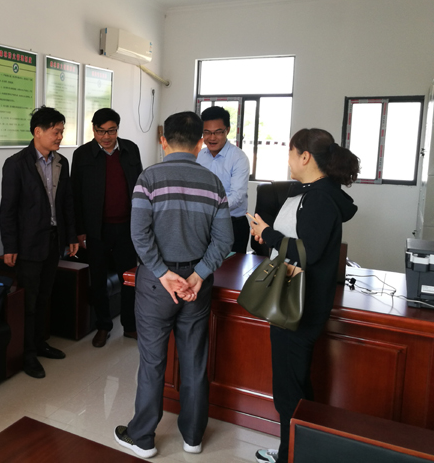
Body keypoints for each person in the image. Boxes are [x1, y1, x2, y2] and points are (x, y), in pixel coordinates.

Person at [115, 111, 233, 458]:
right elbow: (224, 239)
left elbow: (139, 233)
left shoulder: (148, 178)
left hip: (156, 284)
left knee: (153, 361)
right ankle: (193, 437)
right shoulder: (213, 183)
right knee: (194, 360)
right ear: (199, 144)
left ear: (163, 140)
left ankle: (143, 438)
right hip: (196, 286)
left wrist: (163, 273)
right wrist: (197, 275)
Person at [249, 128, 359, 463]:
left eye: (291, 152)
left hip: (297, 307)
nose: (289, 160)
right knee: (295, 385)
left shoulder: (320, 198)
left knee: (288, 392)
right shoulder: (312, 193)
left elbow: (305, 253)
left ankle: (290, 457)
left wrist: (268, 233)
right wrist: (268, 235)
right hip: (296, 301)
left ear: (305, 156)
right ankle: (297, 450)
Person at [0, 106, 79, 379]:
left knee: (45, 297)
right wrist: (10, 246)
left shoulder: (61, 162)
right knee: (29, 302)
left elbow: (67, 202)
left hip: (54, 241)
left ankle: (40, 343)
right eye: (56, 132)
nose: (60, 137)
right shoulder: (16, 164)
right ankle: (27, 354)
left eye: (61, 132)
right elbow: (8, 209)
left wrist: (71, 236)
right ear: (37, 132)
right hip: (29, 244)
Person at [71, 108, 143, 347]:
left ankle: (130, 325)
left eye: (111, 131)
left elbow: (140, 187)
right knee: (99, 280)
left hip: (127, 227)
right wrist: (79, 230)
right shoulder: (82, 155)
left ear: (117, 129)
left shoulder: (131, 149)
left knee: (129, 279)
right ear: (93, 130)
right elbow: (75, 195)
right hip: (97, 230)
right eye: (101, 131)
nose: (106, 137)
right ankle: (103, 326)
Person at [196, 106, 251, 254]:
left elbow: (237, 197)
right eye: (207, 132)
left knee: (231, 267)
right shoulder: (198, 156)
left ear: (227, 130)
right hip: (202, 224)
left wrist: (208, 208)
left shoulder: (238, 158)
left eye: (218, 132)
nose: (212, 137)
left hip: (232, 224)